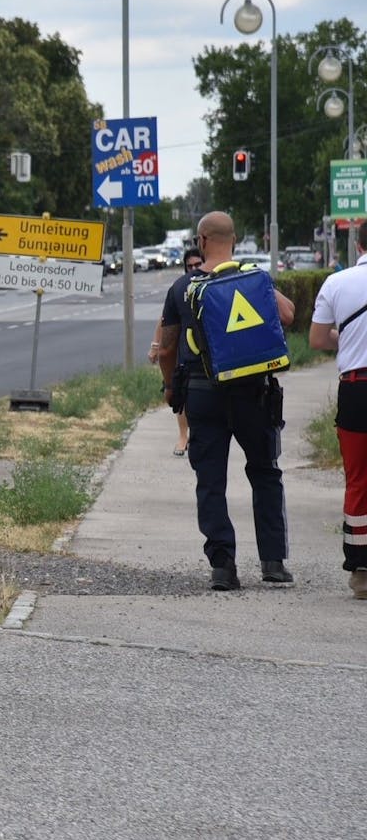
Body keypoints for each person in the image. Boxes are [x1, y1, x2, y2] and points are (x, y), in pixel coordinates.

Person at [158, 211, 294, 591]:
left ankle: (223, 566)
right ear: (234, 240)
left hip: (202, 394)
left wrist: (170, 388)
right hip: (253, 393)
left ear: (201, 242)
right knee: (265, 472)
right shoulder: (254, 277)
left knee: (211, 480)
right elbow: (288, 313)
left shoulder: (183, 287)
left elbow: (167, 347)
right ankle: (273, 563)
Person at [307, 235, 367, 599]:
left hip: (357, 389)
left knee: (358, 479)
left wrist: (346, 340)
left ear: (358, 246)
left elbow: (316, 339)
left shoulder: (337, 282)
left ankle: (361, 572)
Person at [150, 247, 204, 457]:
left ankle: (197, 435)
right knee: (179, 391)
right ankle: (183, 436)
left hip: (204, 351)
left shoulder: (212, 284)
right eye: (189, 266)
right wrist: (156, 345)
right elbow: (165, 321)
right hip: (181, 347)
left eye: (197, 265)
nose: (193, 269)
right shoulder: (179, 288)